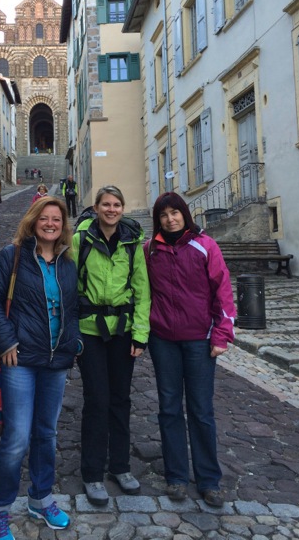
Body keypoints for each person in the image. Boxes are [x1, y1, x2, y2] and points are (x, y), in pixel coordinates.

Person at [0, 197, 83, 539]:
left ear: (63, 224)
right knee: (16, 438)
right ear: (33, 221)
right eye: (45, 218)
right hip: (21, 360)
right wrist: (6, 339)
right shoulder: (13, 257)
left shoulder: (68, 261)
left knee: (47, 434)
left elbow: (73, 306)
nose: (51, 223)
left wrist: (75, 341)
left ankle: (41, 498)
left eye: (57, 219)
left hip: (56, 361)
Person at [143, 192, 236, 509]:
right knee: (169, 408)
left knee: (200, 410)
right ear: (159, 219)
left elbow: (222, 290)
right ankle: (177, 476)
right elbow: (143, 292)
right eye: (164, 214)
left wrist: (221, 334)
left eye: (175, 213)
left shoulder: (204, 245)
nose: (170, 219)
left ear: (185, 214)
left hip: (199, 339)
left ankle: (209, 480)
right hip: (162, 339)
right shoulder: (150, 249)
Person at [73, 185, 151, 506]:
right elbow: (70, 284)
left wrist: (140, 335)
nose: (112, 209)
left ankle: (120, 467)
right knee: (97, 400)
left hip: (122, 331)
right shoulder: (81, 241)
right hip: (89, 332)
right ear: (96, 207)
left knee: (120, 399)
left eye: (117, 204)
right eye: (106, 204)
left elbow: (142, 291)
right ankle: (92, 473)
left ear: (122, 208)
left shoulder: (133, 242)